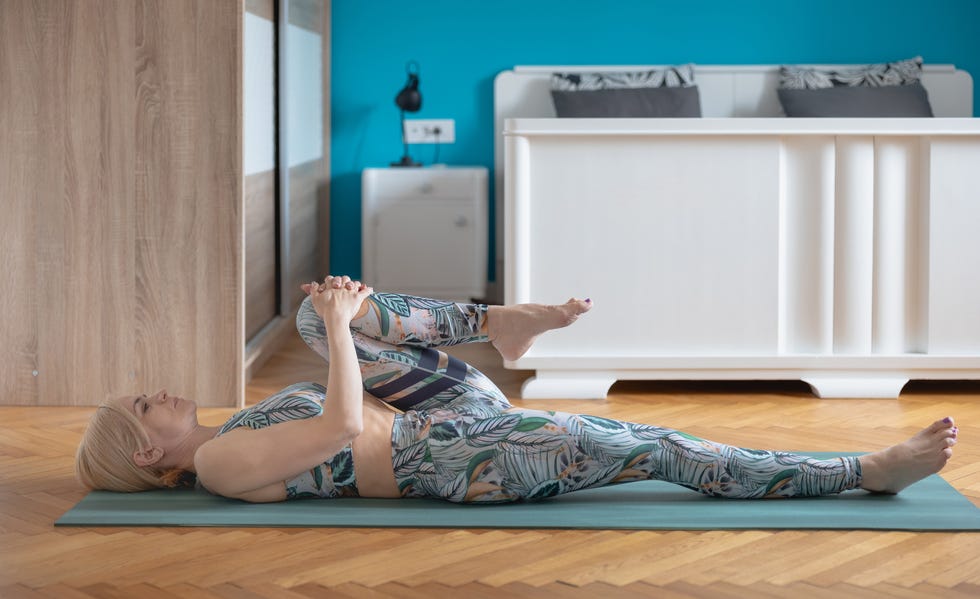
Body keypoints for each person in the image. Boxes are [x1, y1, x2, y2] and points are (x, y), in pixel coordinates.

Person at [76, 275, 958, 503]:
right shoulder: (222, 463)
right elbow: (342, 423)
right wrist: (344, 331)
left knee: (313, 314)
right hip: (462, 461)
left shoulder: (239, 424)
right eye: (145, 405)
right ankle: (859, 472)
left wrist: (338, 322)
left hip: (445, 413)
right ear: (148, 450)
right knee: (654, 448)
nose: (159, 392)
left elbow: (348, 395)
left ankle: (497, 324)